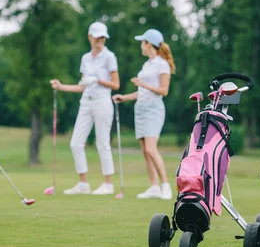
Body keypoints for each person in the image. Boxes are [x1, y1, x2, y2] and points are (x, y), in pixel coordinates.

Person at [50, 22, 120, 195]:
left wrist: (97, 80)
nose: (100, 40)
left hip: (102, 100)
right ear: (90, 37)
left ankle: (108, 184)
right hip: (86, 101)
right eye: (97, 37)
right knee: (75, 143)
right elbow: (81, 86)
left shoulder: (109, 56)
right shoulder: (85, 58)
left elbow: (116, 84)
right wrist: (61, 86)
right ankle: (83, 184)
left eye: (103, 37)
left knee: (102, 143)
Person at [112, 28, 175, 200]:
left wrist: (143, 84)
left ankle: (165, 186)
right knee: (145, 151)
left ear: (149, 44)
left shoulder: (162, 64)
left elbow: (164, 90)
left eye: (142, 42)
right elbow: (141, 91)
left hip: (153, 109)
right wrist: (124, 97)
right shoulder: (147, 64)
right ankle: (154, 186)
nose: (141, 46)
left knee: (151, 149)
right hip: (140, 108)